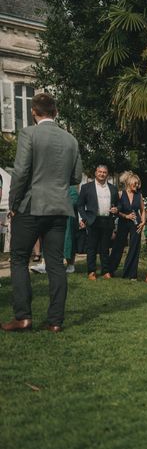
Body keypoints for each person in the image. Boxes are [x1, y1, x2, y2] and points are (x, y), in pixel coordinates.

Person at [2, 93, 83, 333]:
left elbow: (20, 173)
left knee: (18, 259)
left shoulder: (29, 134)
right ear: (56, 112)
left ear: (33, 112)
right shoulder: (71, 140)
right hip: (59, 206)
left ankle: (23, 317)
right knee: (56, 263)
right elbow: (76, 177)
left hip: (31, 205)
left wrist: (14, 205)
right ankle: (56, 321)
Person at [78, 164, 119, 280]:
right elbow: (80, 205)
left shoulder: (113, 188)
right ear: (96, 173)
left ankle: (105, 271)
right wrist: (85, 218)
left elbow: (118, 204)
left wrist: (117, 209)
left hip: (107, 220)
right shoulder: (86, 187)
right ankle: (91, 271)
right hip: (93, 220)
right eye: (100, 172)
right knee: (91, 247)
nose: (102, 174)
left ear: (107, 174)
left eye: (104, 172)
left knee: (105, 248)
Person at [109, 173, 146, 280]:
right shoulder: (120, 194)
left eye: (138, 183)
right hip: (123, 222)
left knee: (134, 247)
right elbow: (117, 211)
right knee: (118, 246)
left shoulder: (139, 195)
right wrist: (126, 216)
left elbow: (143, 210)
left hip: (136, 223)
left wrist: (143, 222)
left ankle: (131, 274)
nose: (137, 185)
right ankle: (110, 270)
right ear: (129, 183)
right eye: (135, 183)